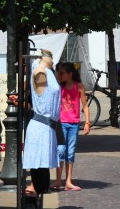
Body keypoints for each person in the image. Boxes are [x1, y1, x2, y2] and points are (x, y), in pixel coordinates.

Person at [23, 51, 60, 197]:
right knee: (39, 174)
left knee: (43, 173)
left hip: (48, 128)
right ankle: (34, 207)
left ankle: (37, 208)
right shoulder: (39, 71)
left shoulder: (49, 72)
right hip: (40, 128)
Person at [54, 62, 88, 191]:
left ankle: (68, 181)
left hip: (74, 123)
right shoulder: (58, 87)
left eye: (62, 73)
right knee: (61, 150)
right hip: (61, 123)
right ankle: (58, 180)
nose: (59, 75)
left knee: (70, 151)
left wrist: (87, 122)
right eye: (58, 72)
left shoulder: (79, 87)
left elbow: (85, 106)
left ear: (70, 74)